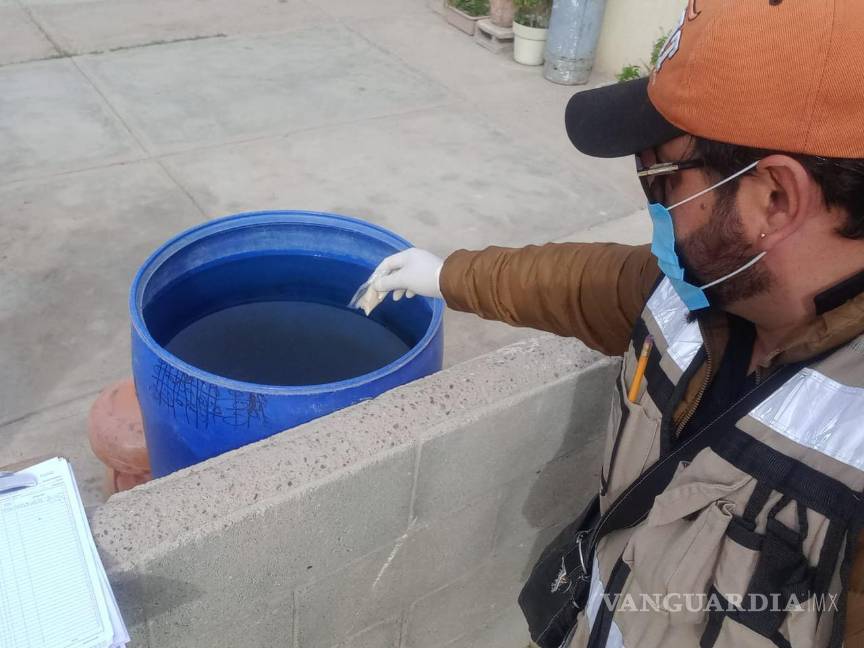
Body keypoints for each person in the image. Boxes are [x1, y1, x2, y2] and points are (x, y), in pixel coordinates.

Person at [359, 1, 864, 646]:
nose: (651, 201)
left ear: (774, 198)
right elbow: (572, 281)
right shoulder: (703, 293)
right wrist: (445, 276)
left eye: (660, 175)